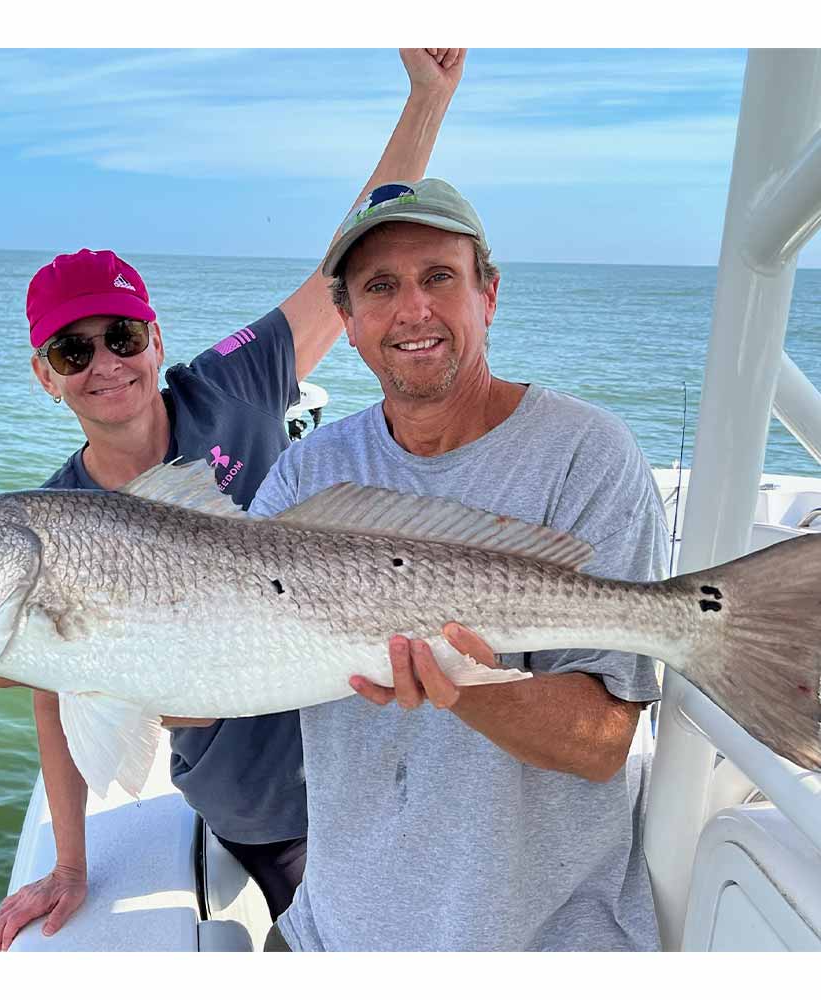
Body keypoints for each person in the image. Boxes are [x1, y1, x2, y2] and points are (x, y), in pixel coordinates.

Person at [0, 49, 468, 950]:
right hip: (258, 806)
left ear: (154, 336)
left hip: (375, 760)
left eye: (121, 335)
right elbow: (59, 696)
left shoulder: (235, 383)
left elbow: (353, 258)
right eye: (73, 352)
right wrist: (67, 866)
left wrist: (427, 98)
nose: (105, 363)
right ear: (44, 378)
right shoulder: (54, 516)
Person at [248, 177, 670, 951]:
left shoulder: (587, 453)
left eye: (439, 277)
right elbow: (208, 682)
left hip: (537, 941)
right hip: (333, 930)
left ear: (489, 294)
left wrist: (465, 686)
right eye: (380, 286)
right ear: (346, 320)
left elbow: (604, 742)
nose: (413, 310)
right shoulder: (306, 475)